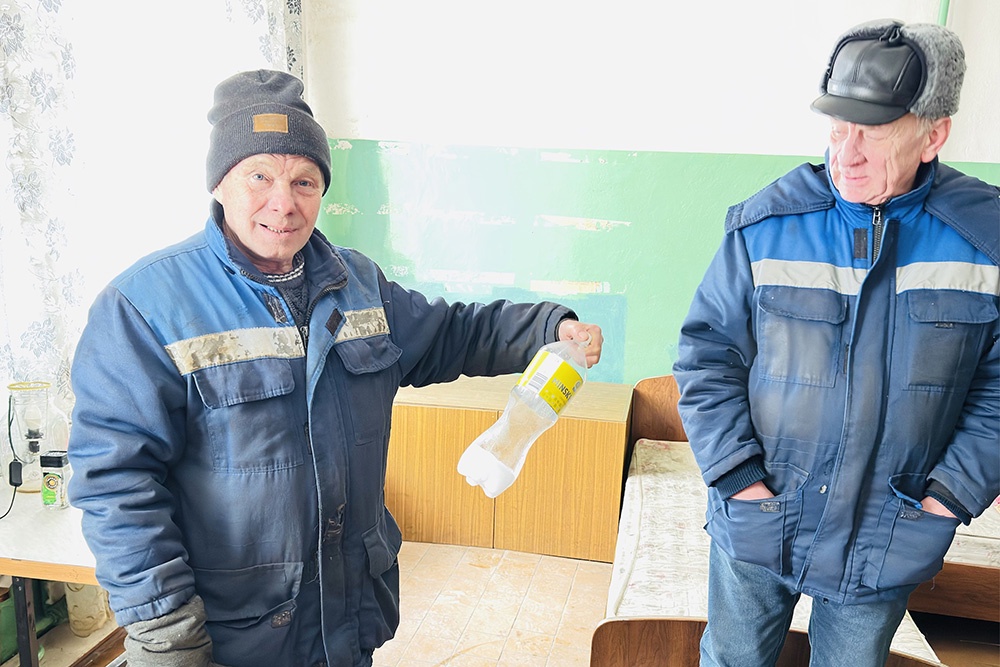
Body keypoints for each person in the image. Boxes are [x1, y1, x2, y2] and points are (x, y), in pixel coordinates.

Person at [66, 69, 603, 667]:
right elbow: (116, 483)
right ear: (220, 183)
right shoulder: (144, 306)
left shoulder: (356, 283)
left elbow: (452, 332)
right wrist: (166, 632)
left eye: (304, 180)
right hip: (226, 638)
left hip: (343, 624)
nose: (283, 202)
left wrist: (549, 327)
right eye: (259, 176)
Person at [673, 19, 998, 667]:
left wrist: (945, 500)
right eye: (835, 128)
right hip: (760, 515)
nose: (844, 153)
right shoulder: (766, 224)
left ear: (933, 134)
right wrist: (739, 481)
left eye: (872, 132)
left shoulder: (986, 240)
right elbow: (706, 358)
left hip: (889, 534)